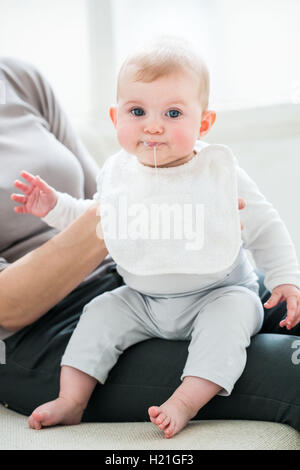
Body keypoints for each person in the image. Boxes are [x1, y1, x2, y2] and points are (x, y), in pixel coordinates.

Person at [11, 38, 300, 438]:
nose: (153, 124)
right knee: (100, 314)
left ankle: (184, 401)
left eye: (173, 113)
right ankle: (72, 399)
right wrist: (54, 206)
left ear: (203, 123)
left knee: (229, 322)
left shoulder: (217, 172)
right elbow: (94, 221)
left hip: (217, 294)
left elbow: (265, 225)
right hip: (143, 301)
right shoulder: (122, 175)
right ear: (116, 118)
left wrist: (286, 277)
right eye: (137, 111)